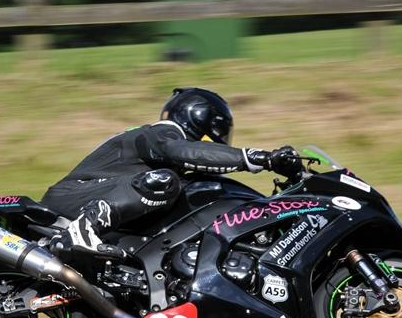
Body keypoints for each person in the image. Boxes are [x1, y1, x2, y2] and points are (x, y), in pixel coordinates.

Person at [41, 87, 303, 259]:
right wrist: (257, 158)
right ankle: (82, 231)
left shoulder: (159, 143)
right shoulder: (163, 133)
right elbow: (185, 151)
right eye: (221, 132)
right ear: (202, 120)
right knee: (165, 182)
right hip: (73, 197)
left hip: (95, 194)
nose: (222, 140)